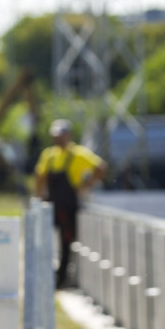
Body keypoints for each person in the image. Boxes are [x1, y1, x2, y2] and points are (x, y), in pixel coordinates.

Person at [34, 119, 106, 288]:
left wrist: (85, 186)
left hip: (68, 206)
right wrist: (38, 198)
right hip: (51, 206)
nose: (57, 140)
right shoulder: (49, 155)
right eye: (55, 136)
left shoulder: (79, 153)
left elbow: (101, 168)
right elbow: (40, 176)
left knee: (66, 242)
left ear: (68, 135)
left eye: (60, 136)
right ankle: (47, 272)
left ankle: (63, 277)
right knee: (44, 240)